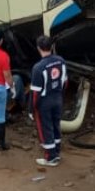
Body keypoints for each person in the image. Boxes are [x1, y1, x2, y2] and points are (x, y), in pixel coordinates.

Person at [30, 35, 67, 167]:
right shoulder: (60, 61)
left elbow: (35, 93)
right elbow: (64, 82)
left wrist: (32, 109)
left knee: (45, 129)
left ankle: (50, 157)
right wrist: (60, 96)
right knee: (56, 125)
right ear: (51, 47)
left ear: (38, 48)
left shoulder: (38, 67)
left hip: (45, 102)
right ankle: (56, 152)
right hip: (58, 98)